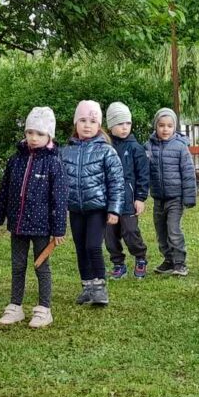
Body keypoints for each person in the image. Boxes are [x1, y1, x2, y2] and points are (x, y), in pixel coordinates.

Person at [0, 106, 67, 328]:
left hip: (42, 227)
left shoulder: (54, 163)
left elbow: (59, 198)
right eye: (30, 132)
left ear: (49, 135)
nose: (34, 138)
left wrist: (59, 229)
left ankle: (44, 309)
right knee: (18, 265)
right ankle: (15, 306)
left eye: (40, 133)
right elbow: (4, 191)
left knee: (41, 266)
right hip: (18, 225)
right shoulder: (15, 160)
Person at [61, 100, 125, 306]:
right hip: (76, 208)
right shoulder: (66, 151)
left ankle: (100, 288)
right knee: (80, 247)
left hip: (97, 208)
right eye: (82, 120)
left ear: (99, 126)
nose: (87, 125)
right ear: (75, 123)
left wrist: (114, 209)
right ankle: (87, 286)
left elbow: (116, 182)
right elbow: (60, 182)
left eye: (92, 121)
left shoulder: (106, 151)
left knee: (92, 246)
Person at [146, 108, 197, 276]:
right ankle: (168, 260)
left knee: (173, 230)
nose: (165, 129)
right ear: (156, 126)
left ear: (174, 127)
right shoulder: (149, 146)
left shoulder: (180, 147)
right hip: (158, 198)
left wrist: (189, 198)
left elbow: (188, 173)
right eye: (161, 125)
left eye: (169, 125)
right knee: (161, 231)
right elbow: (143, 170)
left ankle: (179, 262)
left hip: (176, 198)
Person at [104, 102, 150, 280]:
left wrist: (140, 197)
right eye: (119, 124)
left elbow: (143, 175)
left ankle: (140, 258)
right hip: (108, 200)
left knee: (130, 231)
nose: (124, 128)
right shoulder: (105, 146)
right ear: (110, 126)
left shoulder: (136, 148)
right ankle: (118, 263)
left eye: (127, 124)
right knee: (109, 234)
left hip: (128, 198)